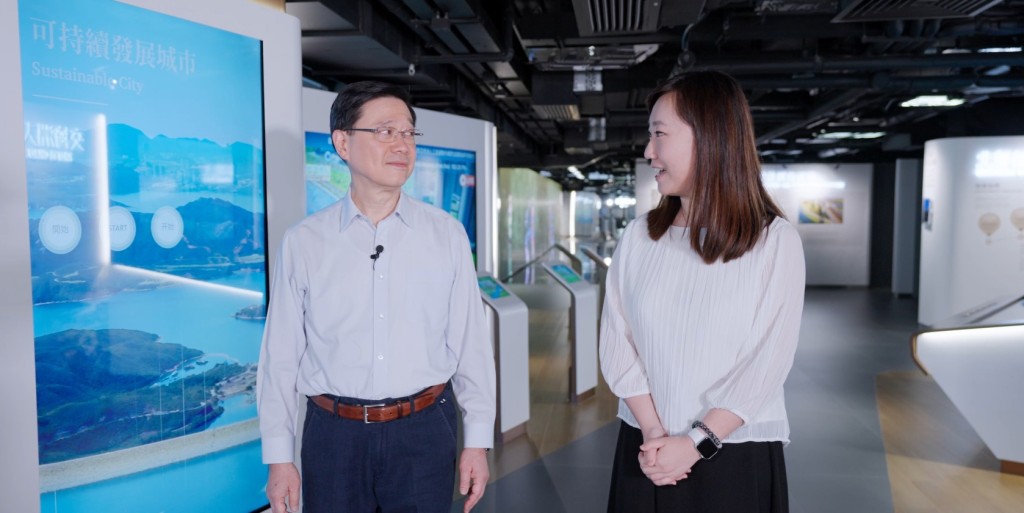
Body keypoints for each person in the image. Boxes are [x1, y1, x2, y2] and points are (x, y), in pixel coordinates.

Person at [256, 81, 495, 513]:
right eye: (385, 131)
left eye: (408, 133)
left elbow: (471, 345)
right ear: (343, 142)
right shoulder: (305, 241)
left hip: (424, 430)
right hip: (334, 435)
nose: (402, 144)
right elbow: (281, 356)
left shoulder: (446, 234)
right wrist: (279, 457)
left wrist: (477, 441)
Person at [599, 70, 806, 513]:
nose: (648, 151)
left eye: (659, 134)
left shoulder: (773, 241)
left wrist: (696, 442)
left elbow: (767, 362)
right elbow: (618, 343)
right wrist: (654, 433)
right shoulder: (639, 236)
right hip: (647, 448)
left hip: (732, 452)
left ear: (711, 138)